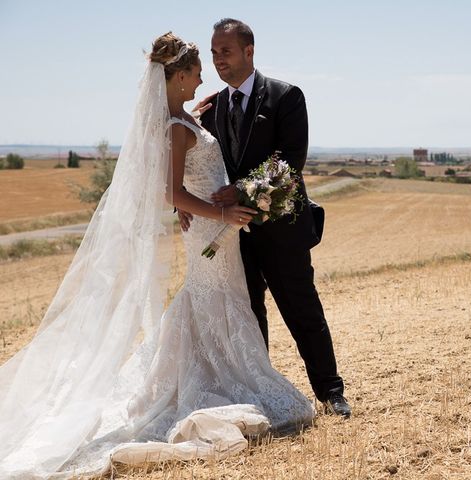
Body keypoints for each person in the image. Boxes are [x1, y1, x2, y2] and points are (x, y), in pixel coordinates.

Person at [0, 32, 314, 479]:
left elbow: (185, 172)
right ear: (180, 75)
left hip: (215, 226)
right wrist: (222, 211)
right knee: (210, 296)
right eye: (196, 70)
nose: (204, 74)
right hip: (211, 224)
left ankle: (226, 373)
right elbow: (172, 191)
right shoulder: (175, 129)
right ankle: (218, 380)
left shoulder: (184, 118)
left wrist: (199, 120)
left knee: (215, 297)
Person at [179, 18, 351, 418]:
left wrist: (240, 191)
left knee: (302, 310)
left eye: (227, 51)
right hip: (232, 235)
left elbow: (291, 163)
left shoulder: (286, 96)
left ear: (249, 51)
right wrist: (182, 204)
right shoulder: (211, 108)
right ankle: (263, 395)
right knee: (248, 315)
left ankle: (331, 392)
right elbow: (193, 163)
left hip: (284, 230)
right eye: (214, 52)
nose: (219, 59)